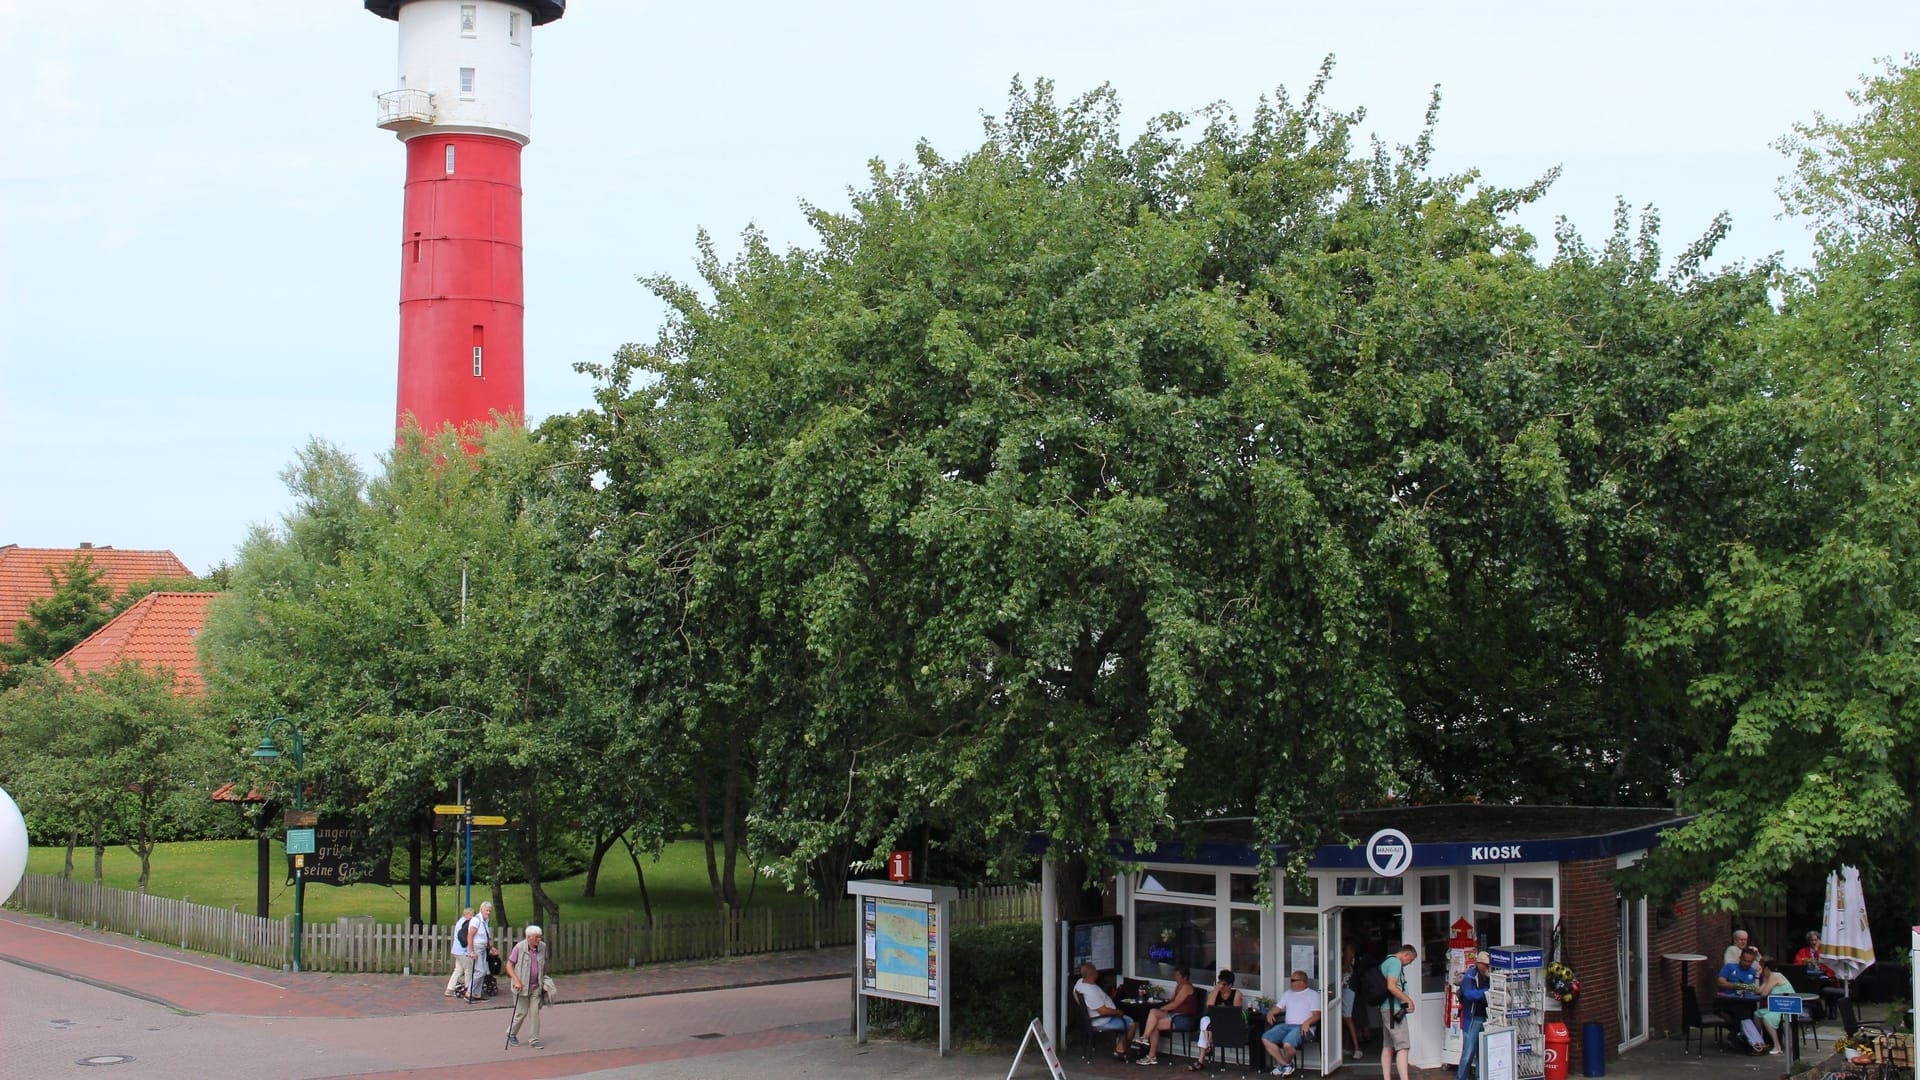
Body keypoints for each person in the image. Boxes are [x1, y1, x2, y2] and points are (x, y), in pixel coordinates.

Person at [1261, 969, 1321, 1077]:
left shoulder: (1313, 995)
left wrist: (1307, 1022)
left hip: (1303, 1028)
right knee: (1266, 1038)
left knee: (1287, 1045)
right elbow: (1278, 1008)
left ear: (1302, 982)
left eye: (1293, 980)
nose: (1290, 982)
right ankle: (1286, 1065)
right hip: (1287, 1026)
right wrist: (1271, 1012)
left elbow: (1317, 1015)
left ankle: (1283, 1066)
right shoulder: (1288, 993)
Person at [1074, 961, 1137, 1061]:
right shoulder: (1091, 993)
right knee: (1132, 1023)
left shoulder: (1080, 982)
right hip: (1102, 1021)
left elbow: (1074, 993)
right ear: (1092, 975)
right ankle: (1120, 1049)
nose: (1097, 973)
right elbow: (1103, 1011)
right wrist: (1118, 1012)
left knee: (1125, 1020)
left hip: (1095, 1018)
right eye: (1095, 971)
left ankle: (1121, 1044)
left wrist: (1084, 1008)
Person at [1138, 965, 1199, 1065]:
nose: (1175, 976)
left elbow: (1176, 1004)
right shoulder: (1178, 986)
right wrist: (1164, 1005)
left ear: (1185, 977)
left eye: (1178, 975)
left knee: (1154, 1025)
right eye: (1175, 974)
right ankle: (1145, 1038)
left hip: (1183, 1018)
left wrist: (1163, 1008)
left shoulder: (1187, 987)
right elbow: (1172, 1001)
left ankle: (1151, 1055)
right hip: (1174, 1014)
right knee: (1153, 1011)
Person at [503, 923, 550, 1048]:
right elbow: (509, 965)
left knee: (535, 1012)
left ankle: (534, 1039)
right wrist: (516, 980)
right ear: (529, 937)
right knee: (521, 1012)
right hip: (521, 987)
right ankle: (511, 1033)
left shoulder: (543, 947)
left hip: (536, 987)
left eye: (540, 937)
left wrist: (544, 981)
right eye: (537, 937)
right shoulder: (519, 947)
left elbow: (544, 965)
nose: (539, 940)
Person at [1187, 968, 1241, 1072]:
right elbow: (1209, 1006)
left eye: (1223, 984)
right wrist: (1216, 990)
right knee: (1204, 1020)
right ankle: (1208, 1046)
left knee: (1206, 1027)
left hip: (1228, 1024)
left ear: (1230, 985)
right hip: (1213, 1023)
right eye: (1219, 983)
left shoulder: (1236, 994)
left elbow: (1235, 1013)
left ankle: (1201, 1059)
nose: (1220, 986)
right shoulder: (1216, 993)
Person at [1380, 944, 1418, 1080]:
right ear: (1406, 955)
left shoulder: (1387, 960)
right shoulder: (1395, 963)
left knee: (1388, 1045)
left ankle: (1387, 1077)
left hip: (1387, 1008)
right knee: (1403, 1045)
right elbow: (1392, 986)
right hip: (1393, 1009)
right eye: (1411, 960)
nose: (1409, 963)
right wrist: (1408, 1000)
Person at [1455, 949, 1491, 1080]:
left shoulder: (1490, 976)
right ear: (1479, 964)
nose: (1488, 968)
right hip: (1473, 1019)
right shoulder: (1470, 976)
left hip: (1487, 1018)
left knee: (1483, 1052)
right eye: (1486, 965)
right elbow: (1469, 995)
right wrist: (1487, 992)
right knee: (1468, 1052)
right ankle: (1461, 1078)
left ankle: (1480, 1076)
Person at [1750, 959, 1792, 1056]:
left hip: (1786, 1007)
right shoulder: (1769, 978)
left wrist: (1765, 982)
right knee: (1757, 1014)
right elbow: (1757, 991)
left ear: (1767, 969)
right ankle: (1759, 1042)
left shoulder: (1775, 975)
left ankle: (1777, 1046)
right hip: (1776, 1006)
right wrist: (1757, 976)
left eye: (1763, 969)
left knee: (1767, 1018)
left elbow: (1764, 993)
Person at [1340, 941, 1365, 1060]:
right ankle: (1346, 1046)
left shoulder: (1348, 945)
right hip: (1342, 985)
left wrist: (1332, 967)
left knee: (1347, 1017)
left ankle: (1357, 1048)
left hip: (1348, 985)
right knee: (1343, 1017)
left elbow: (1347, 966)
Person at [467, 900, 495, 1002]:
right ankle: (469, 991)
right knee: (480, 971)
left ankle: (477, 994)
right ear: (481, 910)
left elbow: (486, 936)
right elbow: (470, 936)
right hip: (477, 948)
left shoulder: (485, 921)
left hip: (483, 948)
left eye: (490, 911)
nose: (488, 912)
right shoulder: (476, 920)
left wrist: (491, 947)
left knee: (483, 972)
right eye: (487, 910)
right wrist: (471, 951)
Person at [445, 906, 475, 999]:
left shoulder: (460, 922)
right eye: (470, 915)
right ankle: (468, 990)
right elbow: (464, 937)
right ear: (466, 914)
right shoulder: (466, 923)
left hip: (456, 950)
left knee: (458, 970)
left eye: (473, 915)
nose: (472, 917)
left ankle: (450, 989)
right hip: (462, 951)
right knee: (468, 969)